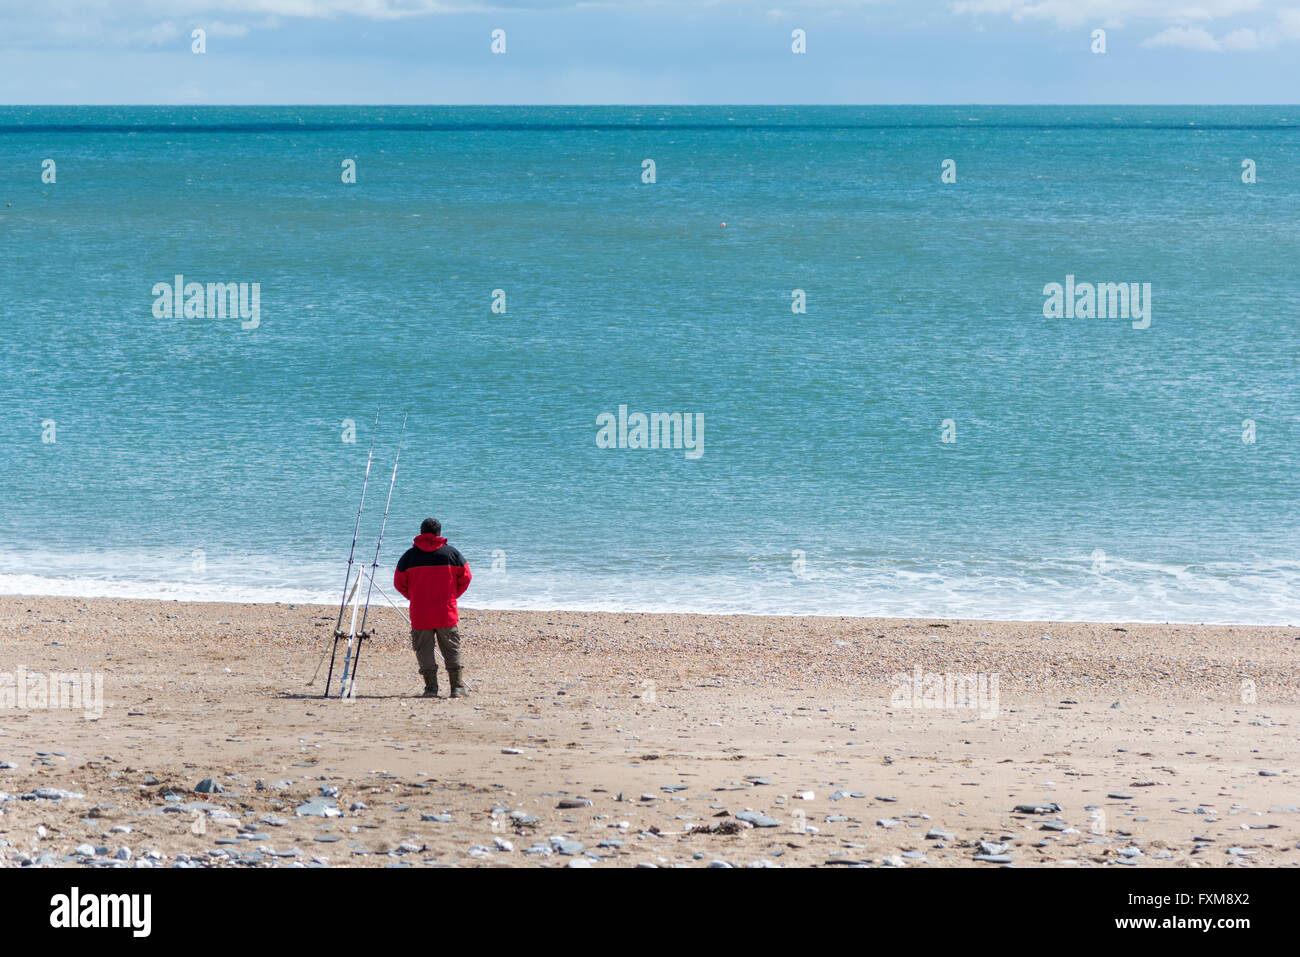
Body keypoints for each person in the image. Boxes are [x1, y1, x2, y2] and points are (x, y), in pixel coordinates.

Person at [393, 518, 472, 698]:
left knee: (424, 651)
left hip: (421, 613)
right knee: (451, 649)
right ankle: (457, 687)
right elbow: (466, 577)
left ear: (421, 533)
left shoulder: (409, 556)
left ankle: (431, 689)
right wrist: (453, 595)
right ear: (439, 533)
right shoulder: (452, 554)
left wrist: (413, 596)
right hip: (446, 611)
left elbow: (399, 583)